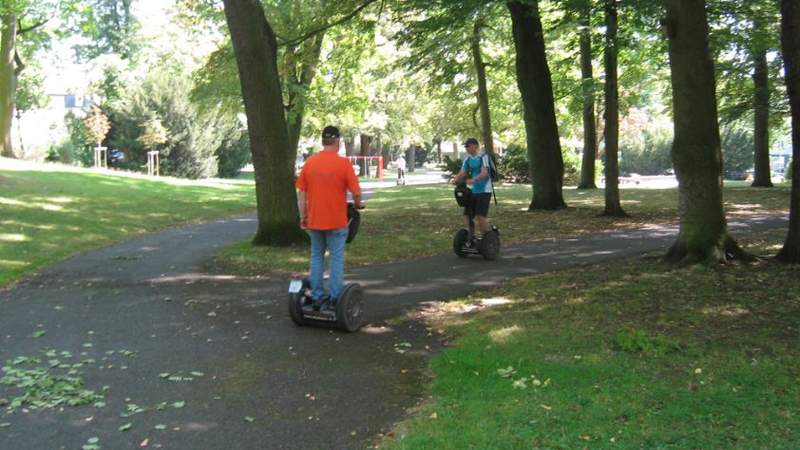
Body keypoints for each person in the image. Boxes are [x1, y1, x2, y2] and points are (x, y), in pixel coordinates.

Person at [295, 126, 363, 309]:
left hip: (315, 221)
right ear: (338, 141)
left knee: (316, 256)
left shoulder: (310, 163)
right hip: (337, 221)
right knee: (336, 258)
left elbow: (302, 193)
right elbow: (356, 192)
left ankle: (316, 296)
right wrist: (357, 204)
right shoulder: (343, 164)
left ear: (323, 141)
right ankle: (334, 298)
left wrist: (303, 216)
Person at [452, 137, 493, 241]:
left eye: (467, 146)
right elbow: (463, 173)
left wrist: (473, 180)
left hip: (484, 190)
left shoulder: (483, 157)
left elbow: (485, 173)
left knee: (480, 215)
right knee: (467, 214)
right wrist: (456, 180)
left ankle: (487, 239)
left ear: (475, 146)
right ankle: (470, 236)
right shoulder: (468, 159)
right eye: (465, 146)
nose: (466, 148)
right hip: (473, 191)